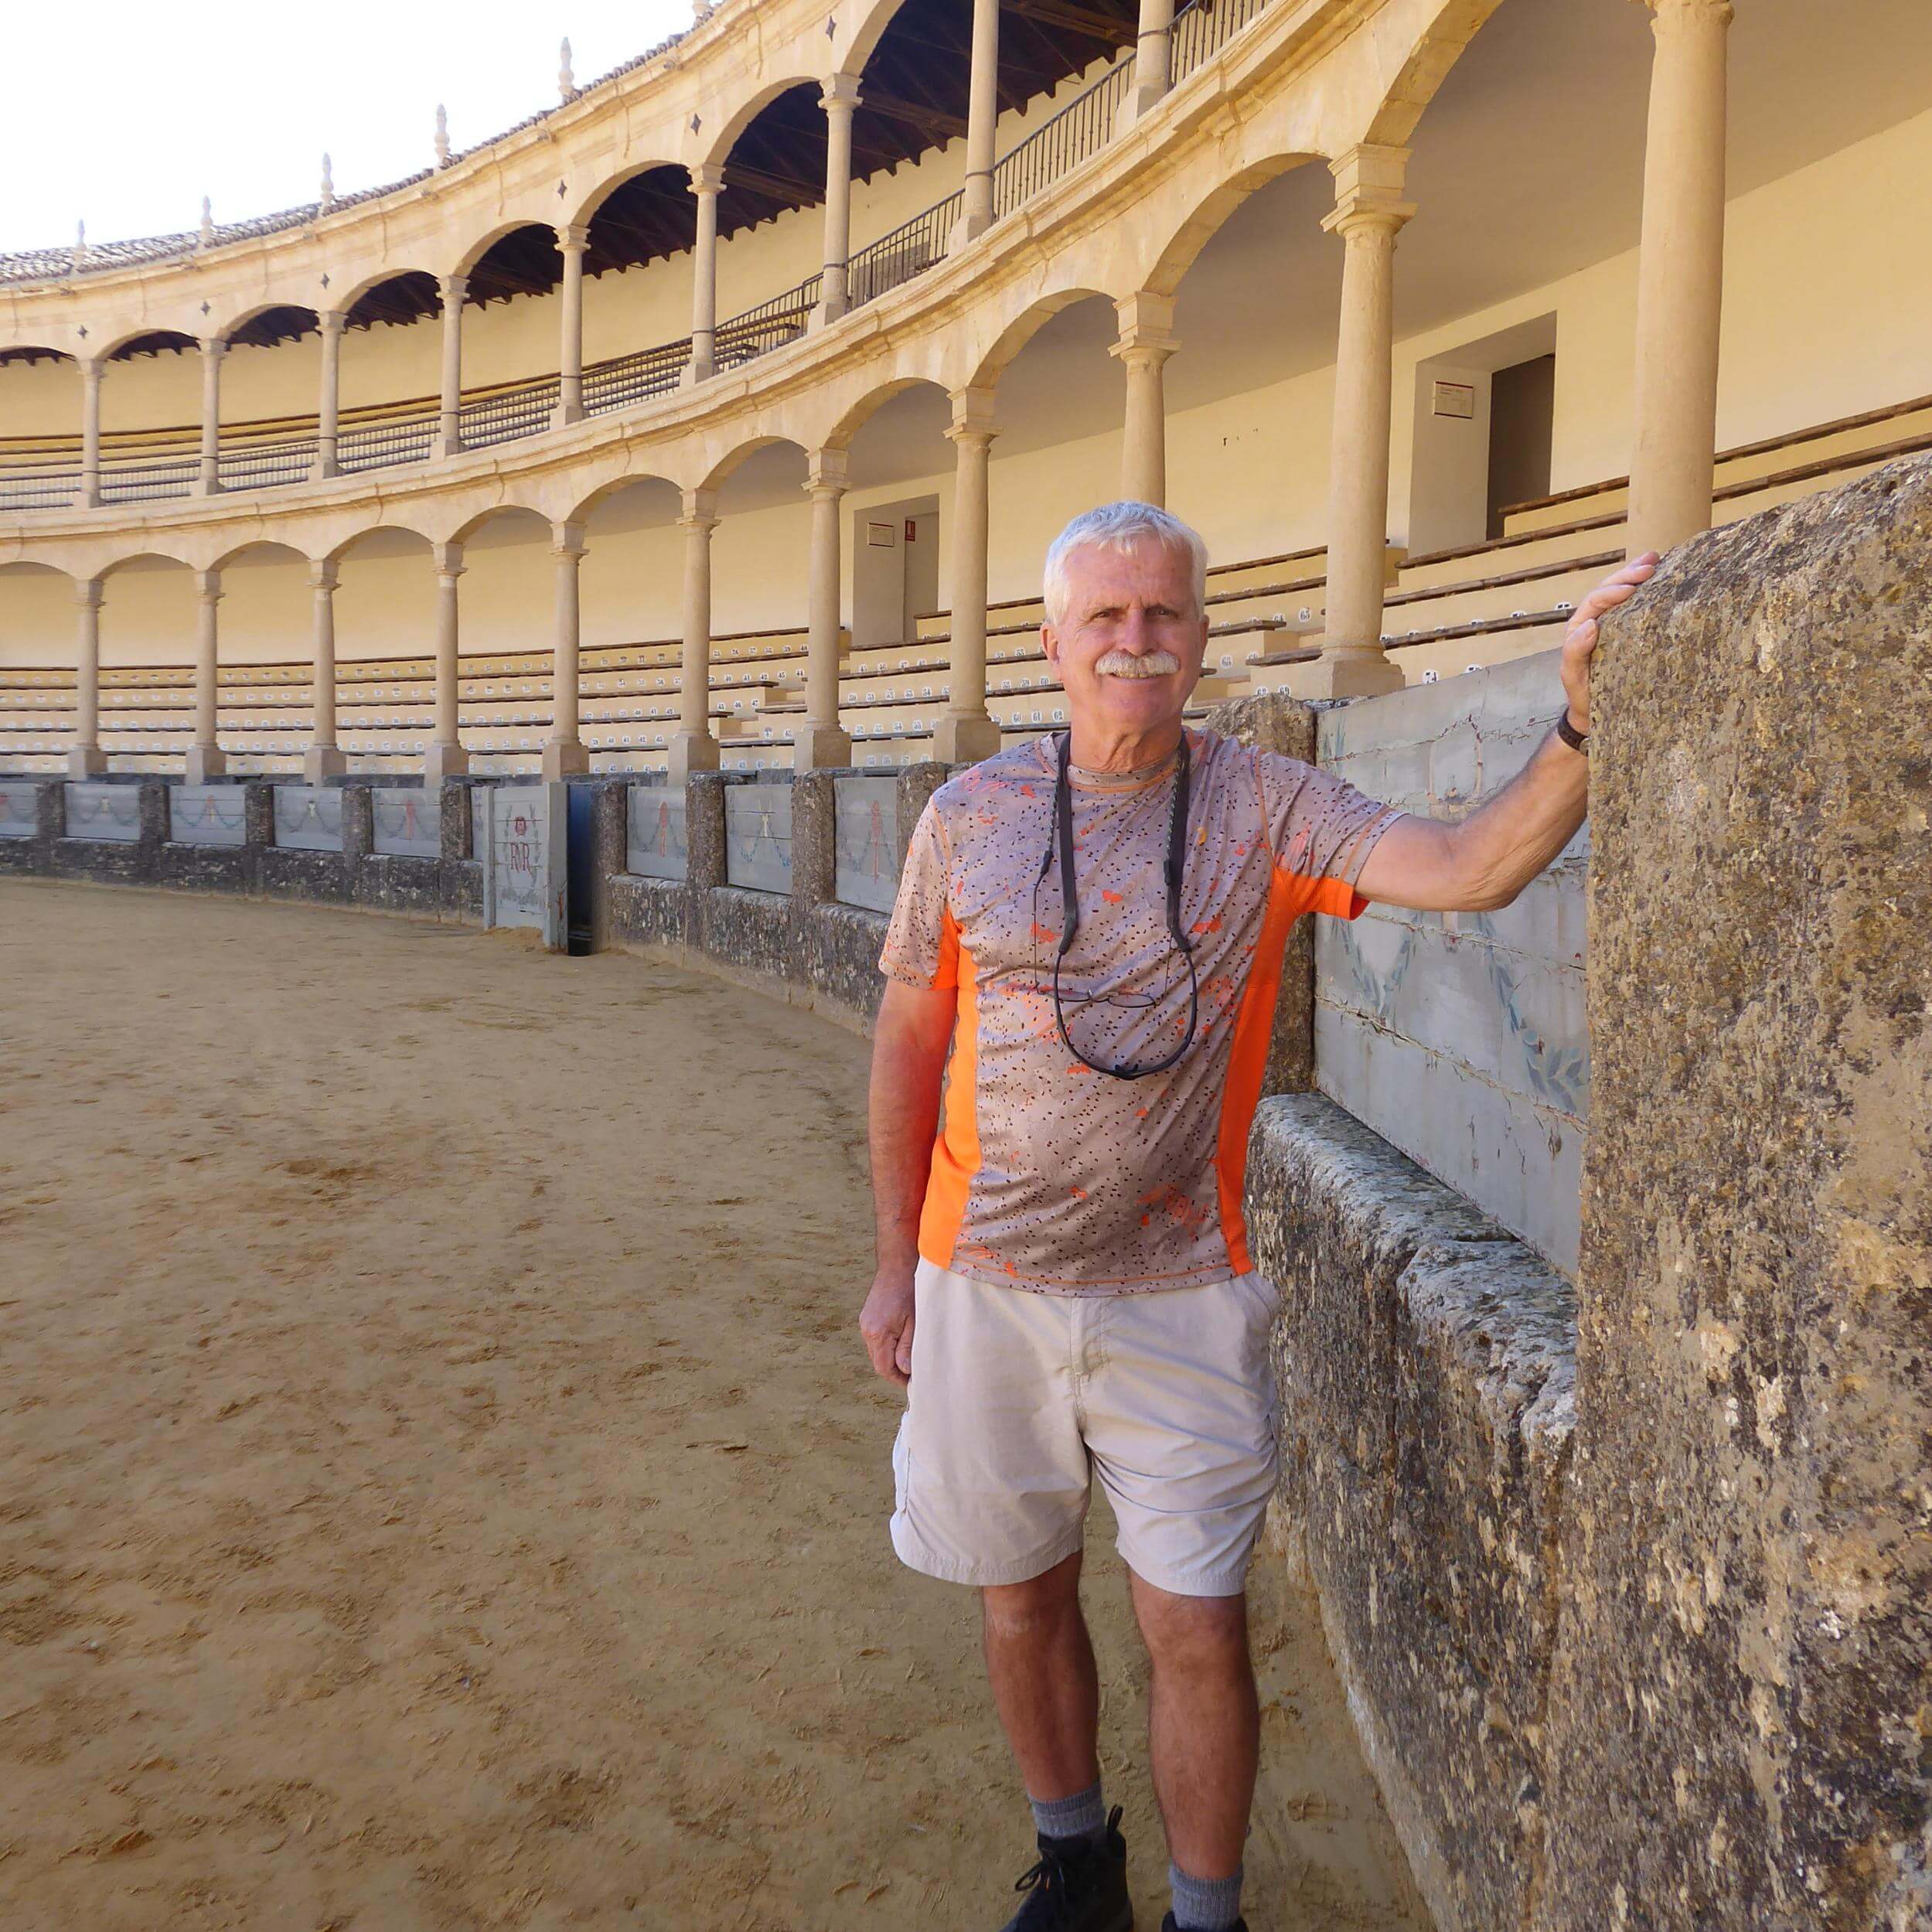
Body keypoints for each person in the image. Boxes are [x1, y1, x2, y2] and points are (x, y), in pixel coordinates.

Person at [859, 499, 1657, 1932]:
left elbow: (1471, 867)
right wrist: (889, 1272)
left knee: (1196, 1624)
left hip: (1184, 1289)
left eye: (1163, 613)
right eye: (1104, 616)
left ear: (1202, 638)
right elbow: (908, 1044)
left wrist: (1582, 724)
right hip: (977, 1278)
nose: (1136, 640)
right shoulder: (967, 816)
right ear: (1051, 644)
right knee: (1021, 1598)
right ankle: (1078, 1856)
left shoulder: (1264, 804)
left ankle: (1205, 1916)